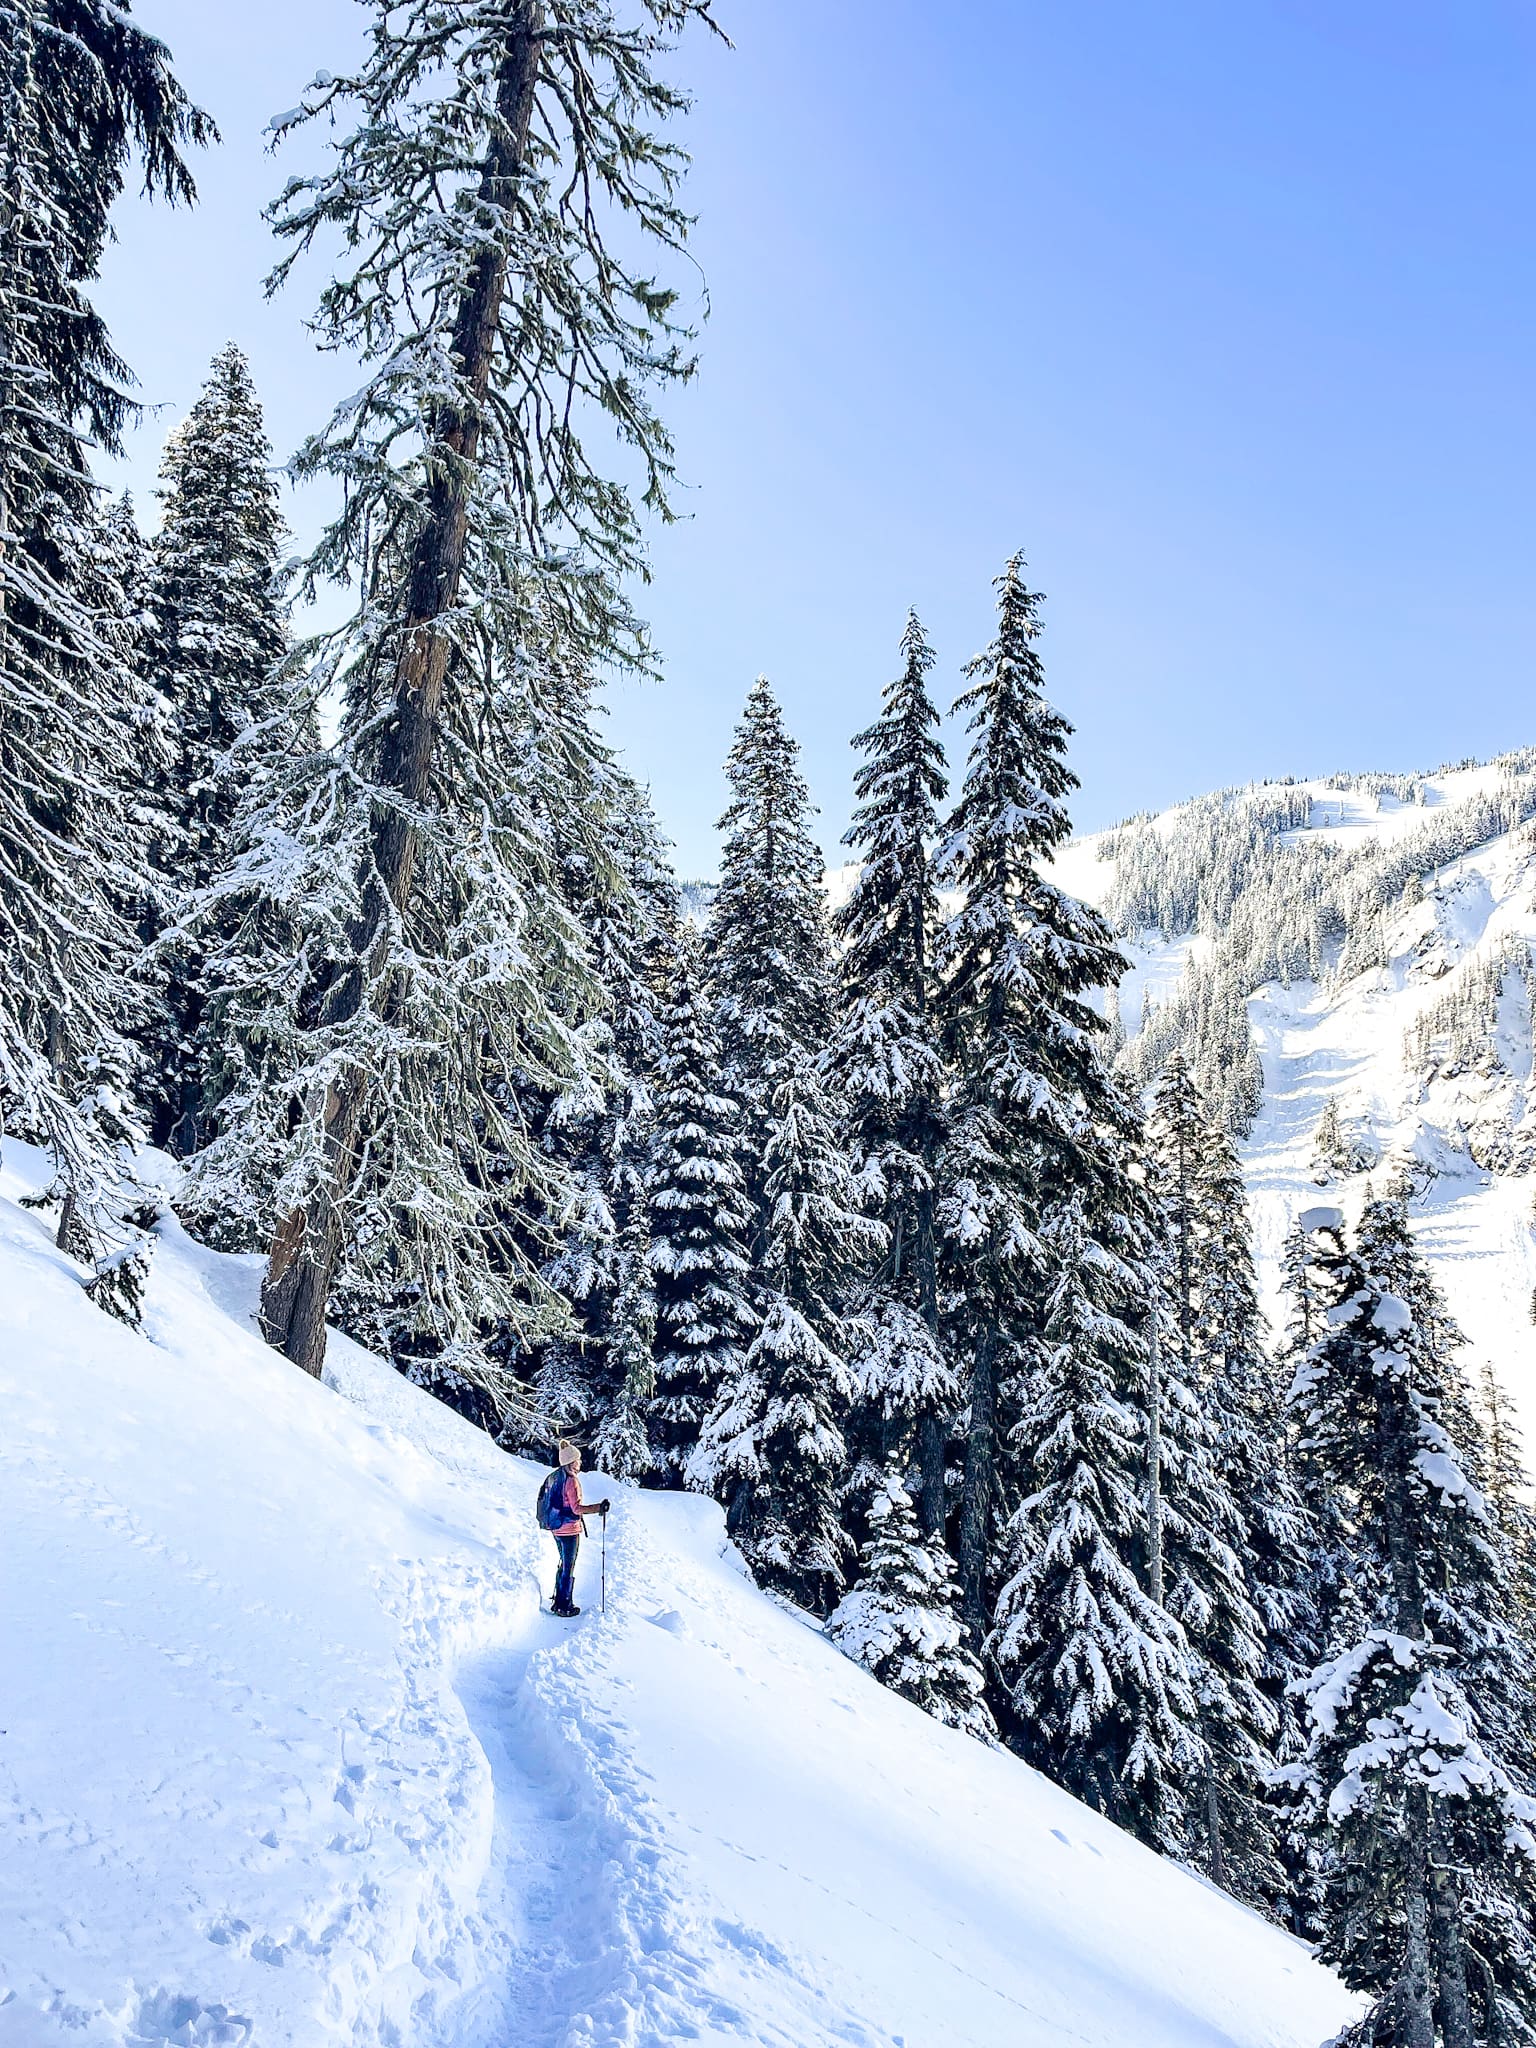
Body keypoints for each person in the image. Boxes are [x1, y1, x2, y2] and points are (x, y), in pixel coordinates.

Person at [549, 1440, 610, 1618]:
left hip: (557, 1528)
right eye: (578, 1459)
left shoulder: (558, 1478)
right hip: (569, 1530)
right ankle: (564, 1605)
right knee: (569, 1566)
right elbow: (576, 1508)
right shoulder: (572, 1481)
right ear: (571, 1462)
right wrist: (598, 1507)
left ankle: (558, 1601)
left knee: (563, 1563)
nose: (580, 1462)